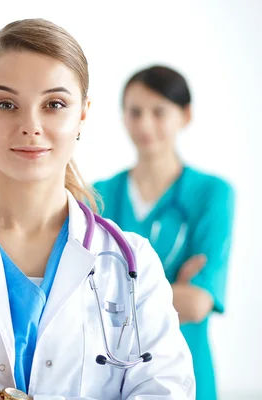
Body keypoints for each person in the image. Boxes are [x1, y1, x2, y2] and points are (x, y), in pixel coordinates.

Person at [0, 18, 196, 400]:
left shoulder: (133, 263)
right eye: (6, 104)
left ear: (82, 114)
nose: (30, 125)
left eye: (54, 104)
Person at [93, 65, 235, 400]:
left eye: (159, 112)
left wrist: (118, 298)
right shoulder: (98, 195)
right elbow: (83, 300)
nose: (145, 124)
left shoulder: (212, 194)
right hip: (113, 377)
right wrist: (174, 291)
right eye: (135, 112)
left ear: (185, 115)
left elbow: (199, 302)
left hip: (189, 374)